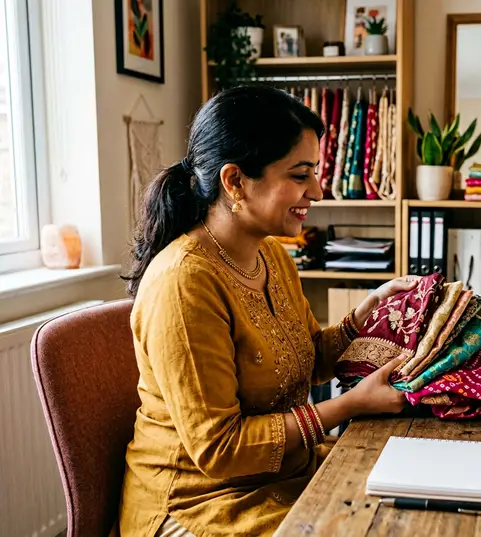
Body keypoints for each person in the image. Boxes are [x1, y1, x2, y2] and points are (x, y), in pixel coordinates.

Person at [116, 85, 418, 537]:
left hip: (280, 477)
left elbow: (309, 359)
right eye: (300, 175)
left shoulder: (271, 256)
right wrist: (348, 405)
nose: (317, 190)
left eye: (314, 173)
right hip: (199, 501)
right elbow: (221, 450)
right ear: (235, 181)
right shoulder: (184, 282)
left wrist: (362, 317)